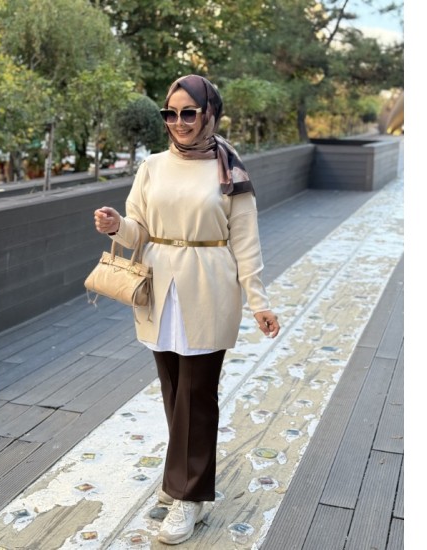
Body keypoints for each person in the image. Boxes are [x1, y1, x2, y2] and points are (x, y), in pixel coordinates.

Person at [93, 74, 280, 546]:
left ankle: (189, 495)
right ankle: (180, 478)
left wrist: (258, 301)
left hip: (209, 288)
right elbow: (138, 230)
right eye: (170, 113)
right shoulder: (152, 166)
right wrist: (117, 226)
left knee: (197, 394)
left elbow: (246, 242)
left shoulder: (229, 170)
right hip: (159, 289)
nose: (179, 121)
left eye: (189, 112)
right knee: (174, 389)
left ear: (209, 113)